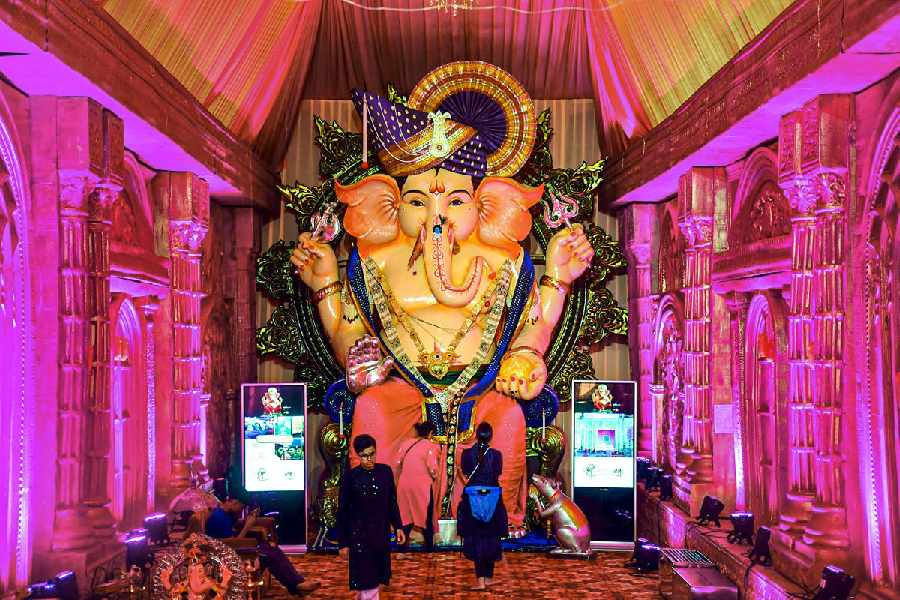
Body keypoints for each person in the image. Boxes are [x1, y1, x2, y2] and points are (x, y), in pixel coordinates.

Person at [337, 434, 406, 599]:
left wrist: (398, 527)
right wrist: (343, 542)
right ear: (357, 455)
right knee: (366, 577)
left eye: (372, 453)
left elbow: (392, 502)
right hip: (359, 535)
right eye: (364, 456)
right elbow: (343, 511)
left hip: (380, 533)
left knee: (374, 577)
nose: (369, 459)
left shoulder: (385, 472)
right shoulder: (351, 477)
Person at [205, 498, 321, 597]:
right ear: (233, 502)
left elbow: (233, 531)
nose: (241, 509)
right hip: (230, 555)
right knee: (270, 555)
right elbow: (233, 543)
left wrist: (249, 521)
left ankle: (297, 585)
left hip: (234, 549)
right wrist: (247, 526)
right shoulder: (219, 518)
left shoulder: (226, 514)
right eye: (241, 506)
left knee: (272, 549)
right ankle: (297, 585)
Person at [457, 422, 507, 591]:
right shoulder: (497, 455)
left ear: (476, 435)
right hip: (493, 500)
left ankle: (480, 581)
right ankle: (489, 577)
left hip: (472, 501)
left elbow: (464, 472)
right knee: (492, 537)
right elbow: (497, 474)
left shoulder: (466, 454)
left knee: (477, 538)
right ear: (490, 436)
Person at [394, 421, 439, 547]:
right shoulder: (431, 446)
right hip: (422, 486)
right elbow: (432, 468)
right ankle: (429, 548)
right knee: (426, 516)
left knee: (405, 514)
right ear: (430, 433)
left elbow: (397, 462)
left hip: (404, 484)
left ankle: (401, 548)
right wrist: (435, 476)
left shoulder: (406, 443)